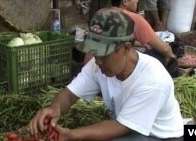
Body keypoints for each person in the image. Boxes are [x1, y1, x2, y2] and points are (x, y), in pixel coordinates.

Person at [29, 8, 184, 141]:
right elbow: (69, 94)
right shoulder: (98, 65)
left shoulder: (153, 80)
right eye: (95, 54)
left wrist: (73, 135)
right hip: (130, 126)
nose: (98, 62)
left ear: (125, 48)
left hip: (160, 136)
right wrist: (54, 108)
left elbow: (120, 126)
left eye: (104, 55)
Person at [86, 0, 177, 77]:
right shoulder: (133, 18)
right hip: (104, 69)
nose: (137, 1)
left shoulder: (100, 13)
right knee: (158, 54)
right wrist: (173, 57)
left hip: (89, 65)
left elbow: (112, 40)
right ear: (125, 1)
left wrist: (143, 44)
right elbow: (164, 48)